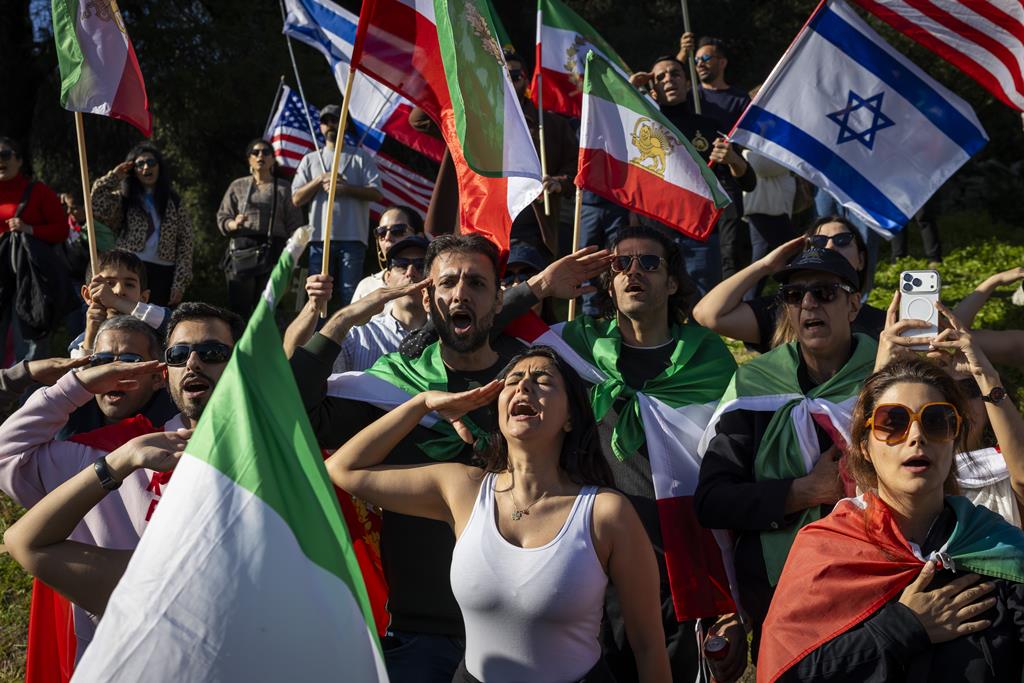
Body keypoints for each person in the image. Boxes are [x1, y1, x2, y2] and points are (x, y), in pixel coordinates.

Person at [291, 234, 608, 683]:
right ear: (428, 298)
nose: (460, 294)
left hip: (528, 635)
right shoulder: (392, 384)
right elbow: (296, 413)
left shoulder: (532, 384)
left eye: (476, 284)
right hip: (422, 634)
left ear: (498, 300)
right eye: (447, 283)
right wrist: (343, 320)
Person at [326, 346, 672, 682]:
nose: (524, 386)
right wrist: (422, 403)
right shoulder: (463, 489)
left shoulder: (607, 512)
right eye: (513, 381)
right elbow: (343, 469)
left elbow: (647, 646)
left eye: (543, 380)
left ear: (570, 417)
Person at [527, 226, 748, 682]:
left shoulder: (709, 359)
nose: (633, 272)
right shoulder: (575, 347)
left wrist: (734, 602)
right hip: (589, 572)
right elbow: (489, 333)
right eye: (620, 264)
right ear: (608, 284)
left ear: (672, 282)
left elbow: (739, 470)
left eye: (649, 263)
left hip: (682, 570)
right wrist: (542, 286)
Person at [758, 357, 1024, 682]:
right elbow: (790, 674)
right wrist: (904, 626)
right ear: (864, 446)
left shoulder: (999, 547)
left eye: (936, 421)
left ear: (954, 438)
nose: (916, 436)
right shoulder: (825, 550)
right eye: (892, 422)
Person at [0, 303, 239, 661]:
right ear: (164, 373)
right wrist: (79, 384)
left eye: (212, 352)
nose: (193, 363)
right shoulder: (114, 450)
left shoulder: (272, 460)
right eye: (178, 354)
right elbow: (8, 455)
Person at [695, 247, 878, 657]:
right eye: (794, 296)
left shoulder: (887, 378)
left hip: (873, 585)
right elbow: (712, 501)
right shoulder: (755, 385)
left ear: (853, 305)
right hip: (779, 596)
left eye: (824, 292)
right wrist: (802, 492)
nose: (808, 303)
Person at [874, 294, 1024, 525]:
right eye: (943, 393)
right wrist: (882, 372)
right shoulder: (896, 471)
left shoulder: (1005, 470)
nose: (957, 403)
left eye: (969, 388)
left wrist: (985, 376)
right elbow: (863, 459)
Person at [629, 57, 756, 292]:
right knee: (659, 308)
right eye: (660, 77)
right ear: (653, 92)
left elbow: (749, 182)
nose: (669, 79)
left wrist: (733, 159)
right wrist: (629, 90)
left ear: (688, 84)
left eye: (675, 73)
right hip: (657, 241)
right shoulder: (641, 128)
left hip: (701, 239)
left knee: (703, 309)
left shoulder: (709, 127)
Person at [693, 215, 886, 353]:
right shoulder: (783, 310)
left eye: (842, 240)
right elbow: (707, 314)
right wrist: (764, 265)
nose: (830, 246)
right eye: (818, 241)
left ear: (861, 259)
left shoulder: (882, 324)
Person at [283, 234, 431, 371]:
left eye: (421, 265)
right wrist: (313, 306)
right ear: (387, 277)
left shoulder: (443, 337)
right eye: (401, 264)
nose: (410, 272)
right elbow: (294, 363)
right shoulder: (359, 336)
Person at [291, 103, 383, 307]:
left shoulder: (360, 157)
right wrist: (319, 179)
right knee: (317, 296)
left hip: (353, 237)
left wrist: (345, 188)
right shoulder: (310, 159)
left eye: (335, 120)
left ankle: (350, 329)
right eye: (326, 121)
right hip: (319, 238)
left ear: (345, 125)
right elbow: (296, 199)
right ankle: (316, 328)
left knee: (351, 294)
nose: (331, 124)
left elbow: (377, 193)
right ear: (321, 127)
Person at [91, 143, 193, 307]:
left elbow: (186, 242)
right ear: (133, 169)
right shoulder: (124, 198)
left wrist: (179, 283)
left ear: (159, 166)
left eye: (151, 162)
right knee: (127, 315)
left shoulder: (174, 201)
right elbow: (95, 204)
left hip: (163, 272)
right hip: (130, 268)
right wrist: (114, 176)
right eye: (140, 164)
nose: (146, 167)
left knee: (157, 318)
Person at [0, 136, 69, 361]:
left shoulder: (38, 191)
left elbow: (61, 230)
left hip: (31, 280)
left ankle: (30, 385)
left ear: (19, 160)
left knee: (30, 345)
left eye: (4, 155)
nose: (0, 161)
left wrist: (29, 229)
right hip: (1, 280)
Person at [216, 138, 303, 318]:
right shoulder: (238, 186)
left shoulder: (284, 188)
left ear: (273, 159)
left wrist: (293, 254)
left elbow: (295, 225)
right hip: (242, 252)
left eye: (265, 152)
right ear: (249, 159)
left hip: (274, 252)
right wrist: (234, 223)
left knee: (267, 310)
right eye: (255, 153)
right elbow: (222, 217)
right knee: (239, 310)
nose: (260, 155)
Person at [505, 51, 578, 257]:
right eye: (502, 76)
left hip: (538, 227)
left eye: (515, 76)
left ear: (527, 81)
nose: (508, 81)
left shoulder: (552, 124)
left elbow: (576, 166)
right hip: (491, 223)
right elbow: (423, 123)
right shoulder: (479, 123)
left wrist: (559, 182)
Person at [70, 249, 171, 358]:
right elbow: (80, 367)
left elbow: (172, 321)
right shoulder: (81, 342)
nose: (119, 291)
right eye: (109, 283)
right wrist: (90, 336)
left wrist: (115, 301)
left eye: (129, 284)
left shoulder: (154, 325)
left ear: (143, 297)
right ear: (88, 295)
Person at [676, 35, 752, 132]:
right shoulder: (690, 96)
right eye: (696, 60)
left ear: (722, 63)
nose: (700, 64)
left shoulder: (740, 100)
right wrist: (682, 54)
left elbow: (749, 135)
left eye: (705, 58)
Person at [351, 205, 426, 303]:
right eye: (381, 232)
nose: (387, 237)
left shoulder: (435, 281)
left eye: (397, 230)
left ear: (419, 236)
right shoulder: (366, 286)